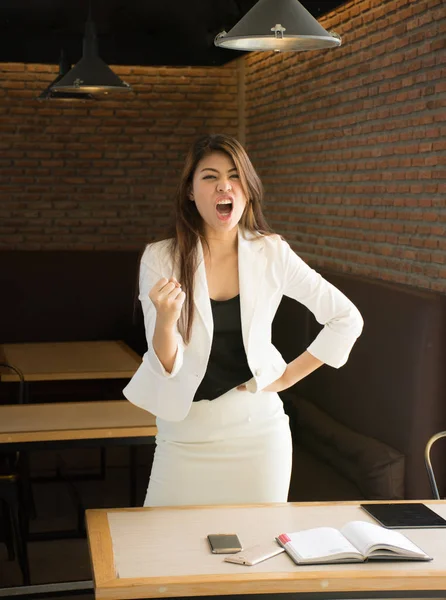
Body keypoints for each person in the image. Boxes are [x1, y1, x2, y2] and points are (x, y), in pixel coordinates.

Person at [123, 133, 363, 507]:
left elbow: (346, 318)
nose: (224, 184)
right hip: (185, 433)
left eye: (234, 175)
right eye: (209, 176)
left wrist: (288, 376)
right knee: (161, 554)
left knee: (256, 553)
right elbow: (165, 364)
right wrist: (167, 321)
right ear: (190, 191)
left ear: (247, 189)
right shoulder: (161, 257)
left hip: (258, 432)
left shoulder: (271, 252)